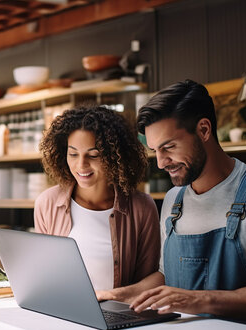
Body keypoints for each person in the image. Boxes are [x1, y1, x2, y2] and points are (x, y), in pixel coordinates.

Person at [97, 80, 246, 329]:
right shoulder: (174, 200)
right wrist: (118, 295)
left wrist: (198, 300)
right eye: (155, 151)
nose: (161, 163)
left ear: (204, 130)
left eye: (169, 147)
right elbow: (166, 275)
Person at [34, 105, 160, 291]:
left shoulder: (142, 207)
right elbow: (43, 273)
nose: (81, 165)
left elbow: (149, 280)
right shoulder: (48, 203)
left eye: (94, 155)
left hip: (120, 314)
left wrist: (114, 298)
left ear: (115, 157)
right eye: (73, 154)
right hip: (62, 314)